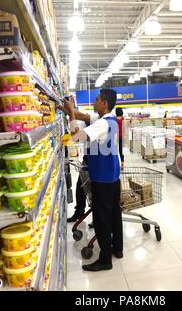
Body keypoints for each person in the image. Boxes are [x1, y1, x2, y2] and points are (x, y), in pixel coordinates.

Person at [63, 89, 123, 272]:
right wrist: (68, 109)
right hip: (113, 176)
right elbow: (85, 116)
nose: (94, 103)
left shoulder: (102, 124)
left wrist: (71, 113)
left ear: (104, 103)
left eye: (96, 100)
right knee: (114, 215)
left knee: (102, 219)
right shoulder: (109, 121)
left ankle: (105, 260)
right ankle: (117, 249)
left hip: (102, 178)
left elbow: (76, 136)